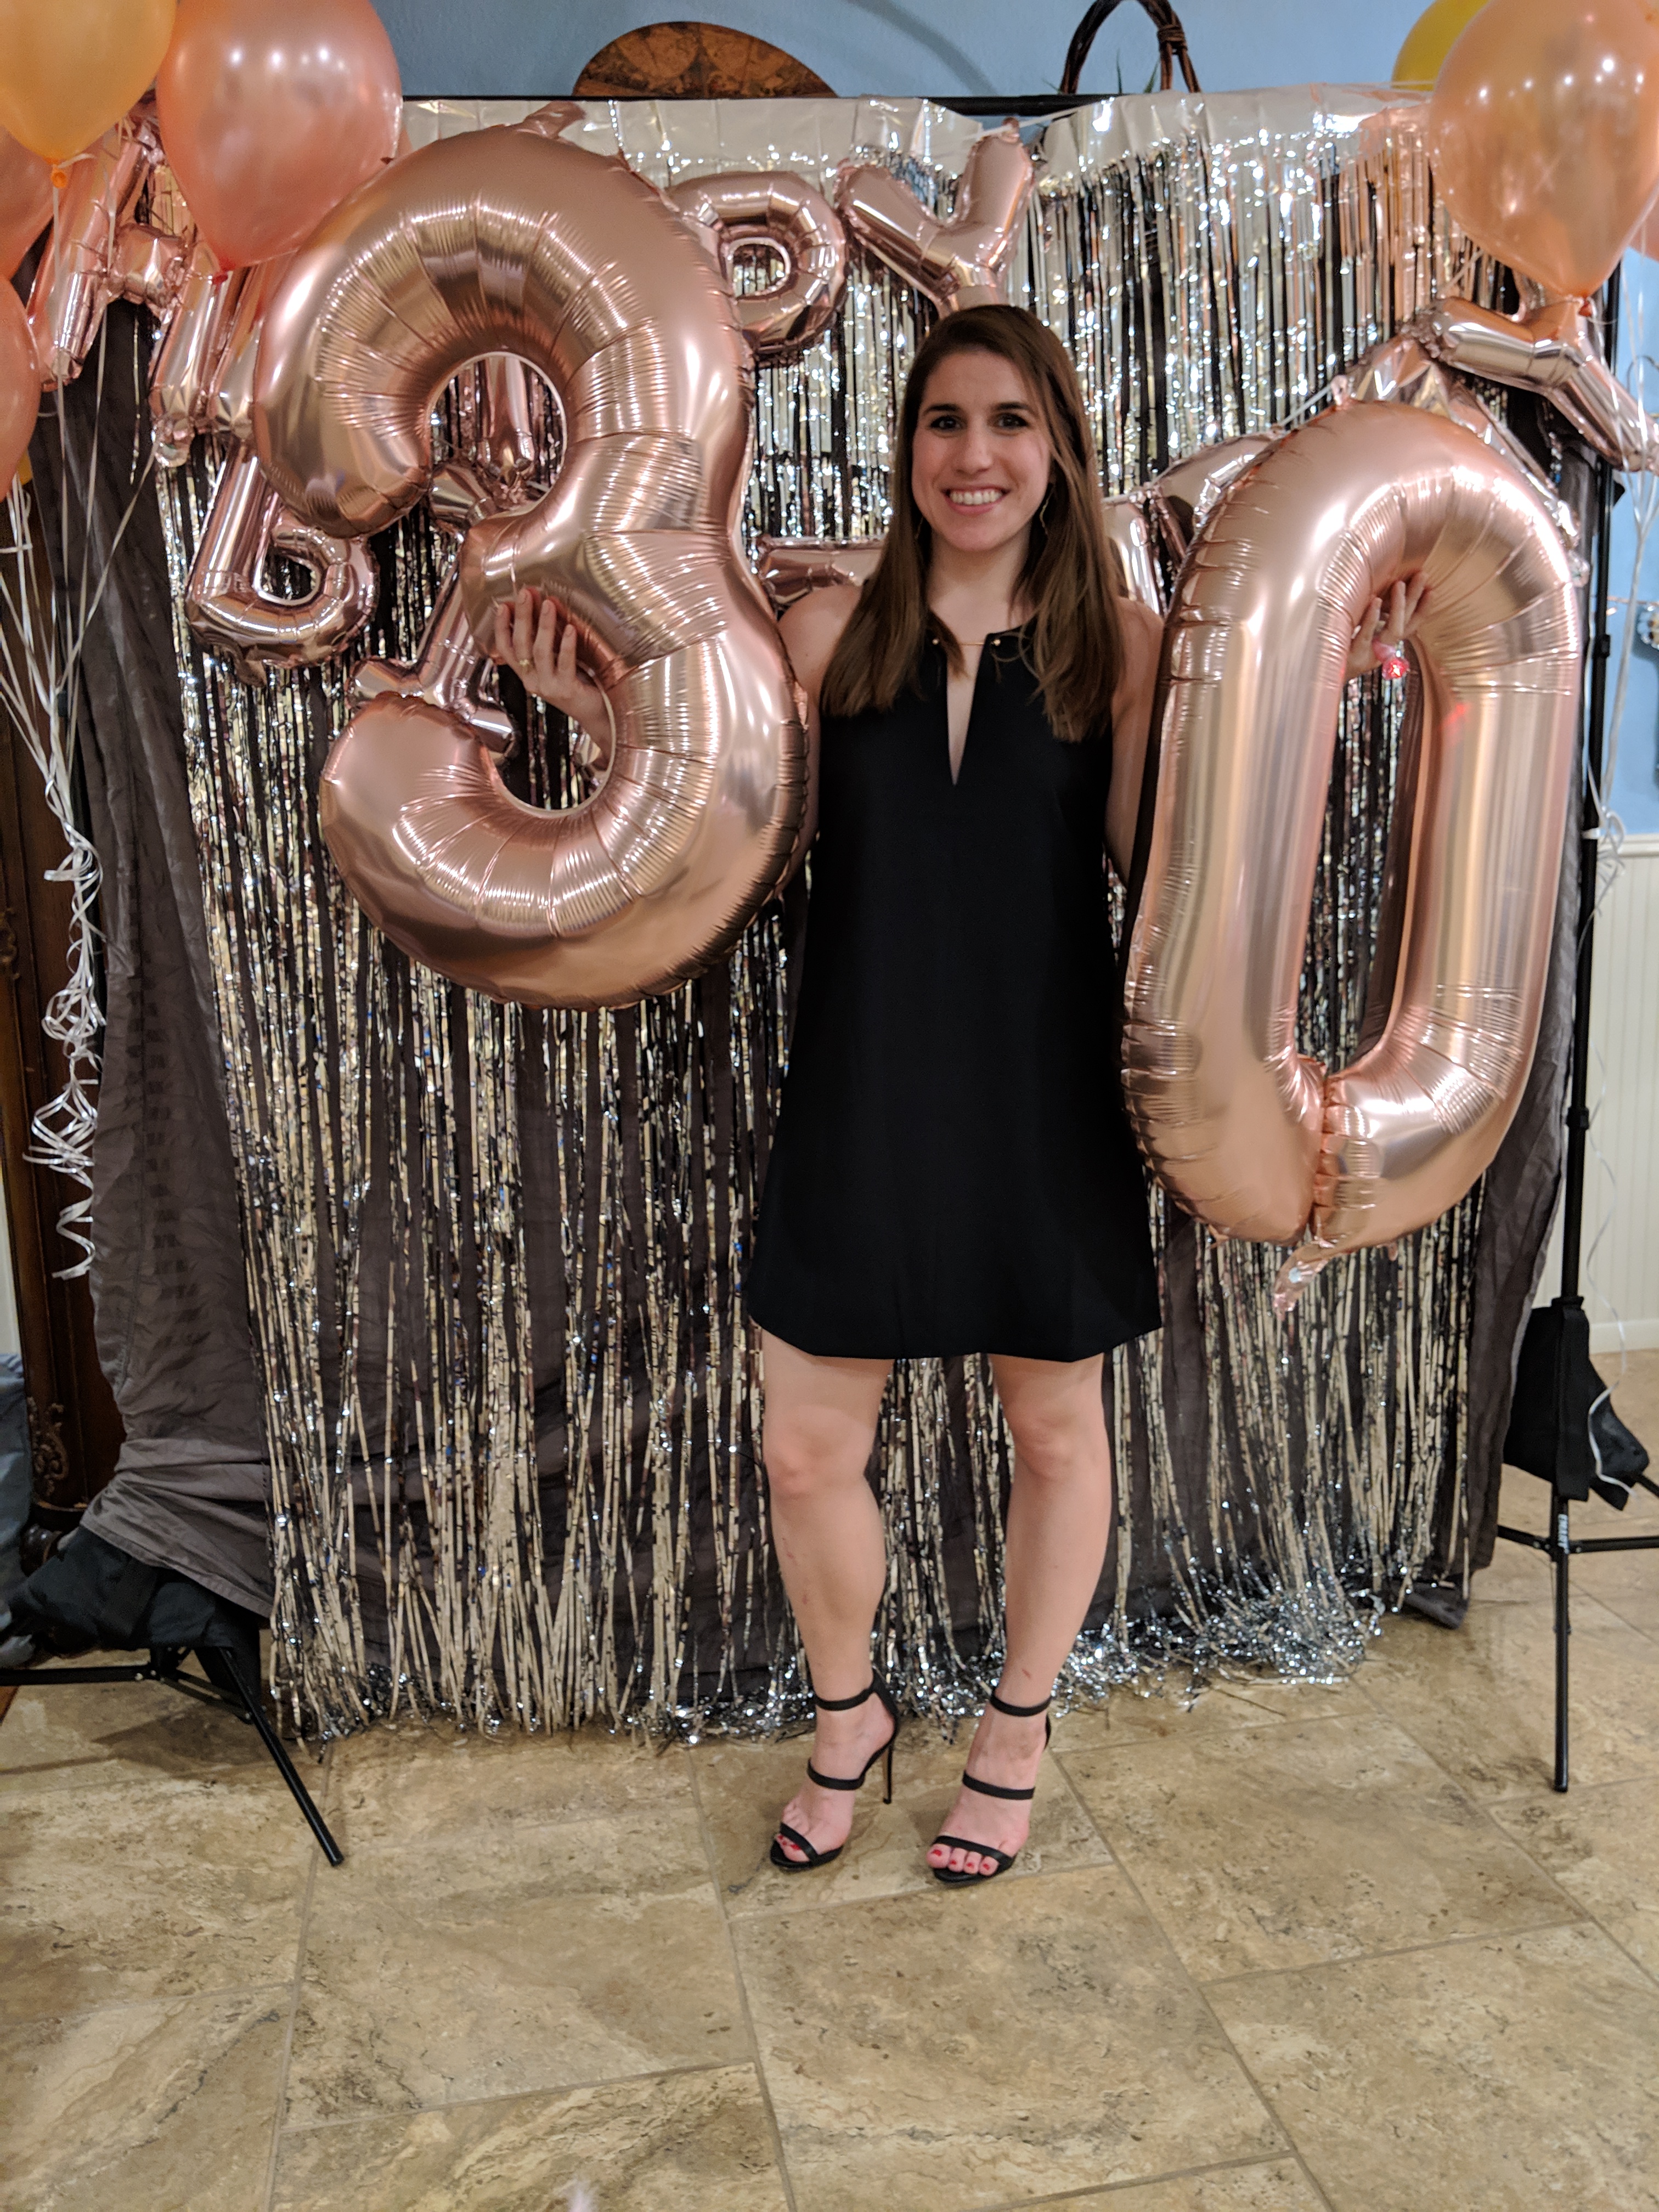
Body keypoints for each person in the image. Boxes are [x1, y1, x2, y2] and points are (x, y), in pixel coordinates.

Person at [492, 303, 1422, 1886]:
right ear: (908, 446)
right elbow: (747, 843)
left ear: (1055, 448)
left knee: (1054, 1431)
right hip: (861, 1079)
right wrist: (591, 717)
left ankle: (1017, 1731)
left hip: (1039, 1090)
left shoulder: (1120, 646)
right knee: (804, 1446)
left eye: (1006, 422)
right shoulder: (822, 635)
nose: (973, 455)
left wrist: (1322, 674)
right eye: (944, 421)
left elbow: (1160, 873)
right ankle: (848, 1715)